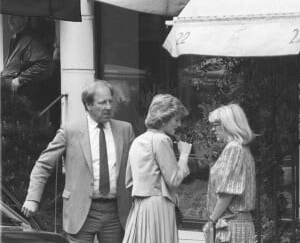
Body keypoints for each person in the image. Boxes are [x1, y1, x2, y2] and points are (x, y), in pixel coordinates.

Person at [22, 80, 135, 243]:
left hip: (116, 212)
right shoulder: (70, 130)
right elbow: (43, 165)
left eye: (111, 101)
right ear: (88, 105)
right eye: (102, 102)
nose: (109, 107)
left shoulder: (125, 129)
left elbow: (136, 168)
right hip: (80, 211)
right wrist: (33, 198)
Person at [123, 94, 192, 243]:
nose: (179, 124)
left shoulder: (138, 140)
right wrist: (184, 155)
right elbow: (174, 180)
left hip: (140, 207)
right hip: (159, 206)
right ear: (164, 119)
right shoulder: (161, 139)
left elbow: (128, 181)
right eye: (176, 119)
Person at [203, 103, 256, 243]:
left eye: (216, 124)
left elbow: (227, 192)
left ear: (229, 124)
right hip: (239, 225)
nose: (213, 129)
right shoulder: (242, 149)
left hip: (231, 226)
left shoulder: (234, 149)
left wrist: (211, 220)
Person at [1, 15, 53, 109]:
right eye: (9, 18)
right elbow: (15, 63)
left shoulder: (30, 39)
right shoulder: (17, 38)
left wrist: (19, 80)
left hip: (23, 95)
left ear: (24, 19)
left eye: (13, 17)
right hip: (13, 92)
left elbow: (45, 63)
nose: (9, 21)